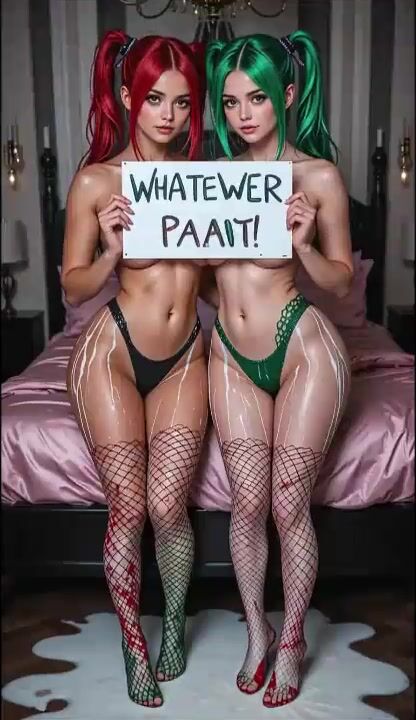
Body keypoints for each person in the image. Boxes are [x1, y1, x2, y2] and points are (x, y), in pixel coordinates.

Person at [204, 32, 352, 708]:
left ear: (287, 95)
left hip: (301, 347)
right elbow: (202, 280)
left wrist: (303, 243)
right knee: (248, 503)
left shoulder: (316, 177)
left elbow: (342, 280)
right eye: (231, 101)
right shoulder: (208, 179)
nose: (243, 114)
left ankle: (292, 639)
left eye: (257, 98)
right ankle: (256, 632)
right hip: (230, 354)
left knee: (290, 503)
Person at [62, 31, 207, 708]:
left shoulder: (207, 184)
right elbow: (72, 284)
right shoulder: (98, 182)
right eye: (155, 100)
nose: (169, 116)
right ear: (127, 97)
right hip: (114, 352)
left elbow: (218, 283)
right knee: (129, 505)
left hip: (184, 356)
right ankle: (132, 642)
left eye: (182, 102)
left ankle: (174, 622)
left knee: (167, 504)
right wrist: (111, 249)